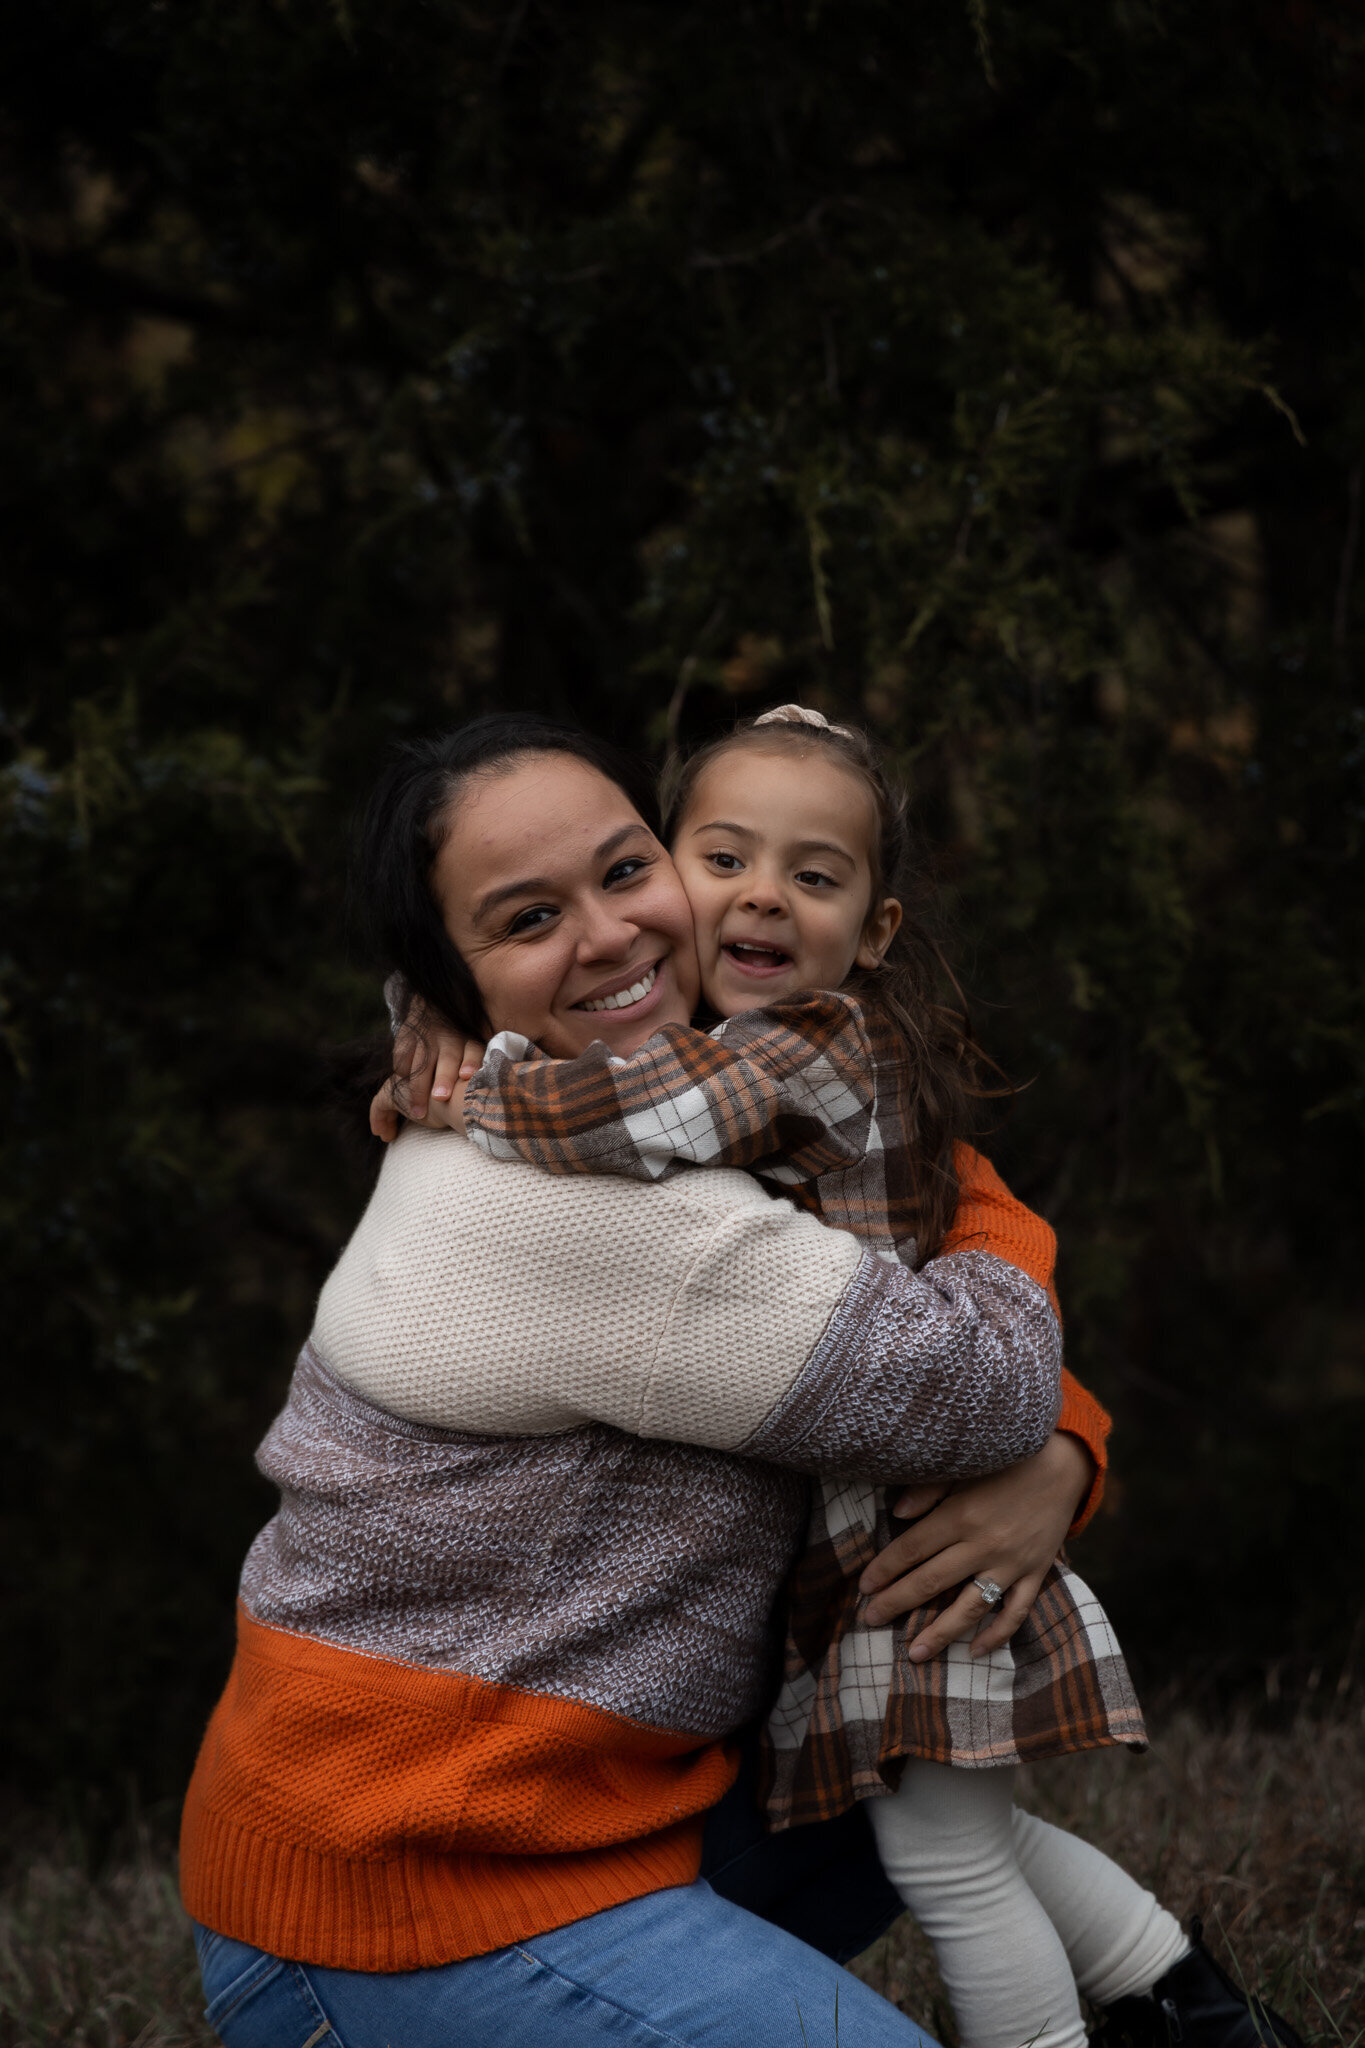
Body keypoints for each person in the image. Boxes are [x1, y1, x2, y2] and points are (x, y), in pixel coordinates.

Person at [383, 707, 1301, 2048]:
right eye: (723, 859)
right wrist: (422, 1016)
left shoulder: (793, 1046)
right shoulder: (683, 1026)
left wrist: (1061, 1441)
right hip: (807, 1589)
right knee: (939, 1833)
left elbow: (981, 1227)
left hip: (893, 1548)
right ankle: (1193, 2010)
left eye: (812, 877)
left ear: (872, 927)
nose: (760, 895)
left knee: (943, 1856)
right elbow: (497, 972)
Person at [182, 714, 1088, 2048]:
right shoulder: (597, 1212)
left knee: (909, 1763)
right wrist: (995, 1238)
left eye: (624, 872)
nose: (610, 936)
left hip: (580, 1812)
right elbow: (984, 1381)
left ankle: (1166, 1988)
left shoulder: (647, 1104)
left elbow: (929, 1319)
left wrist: (1067, 1459)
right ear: (454, 977)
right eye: (527, 916)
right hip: (405, 1899)